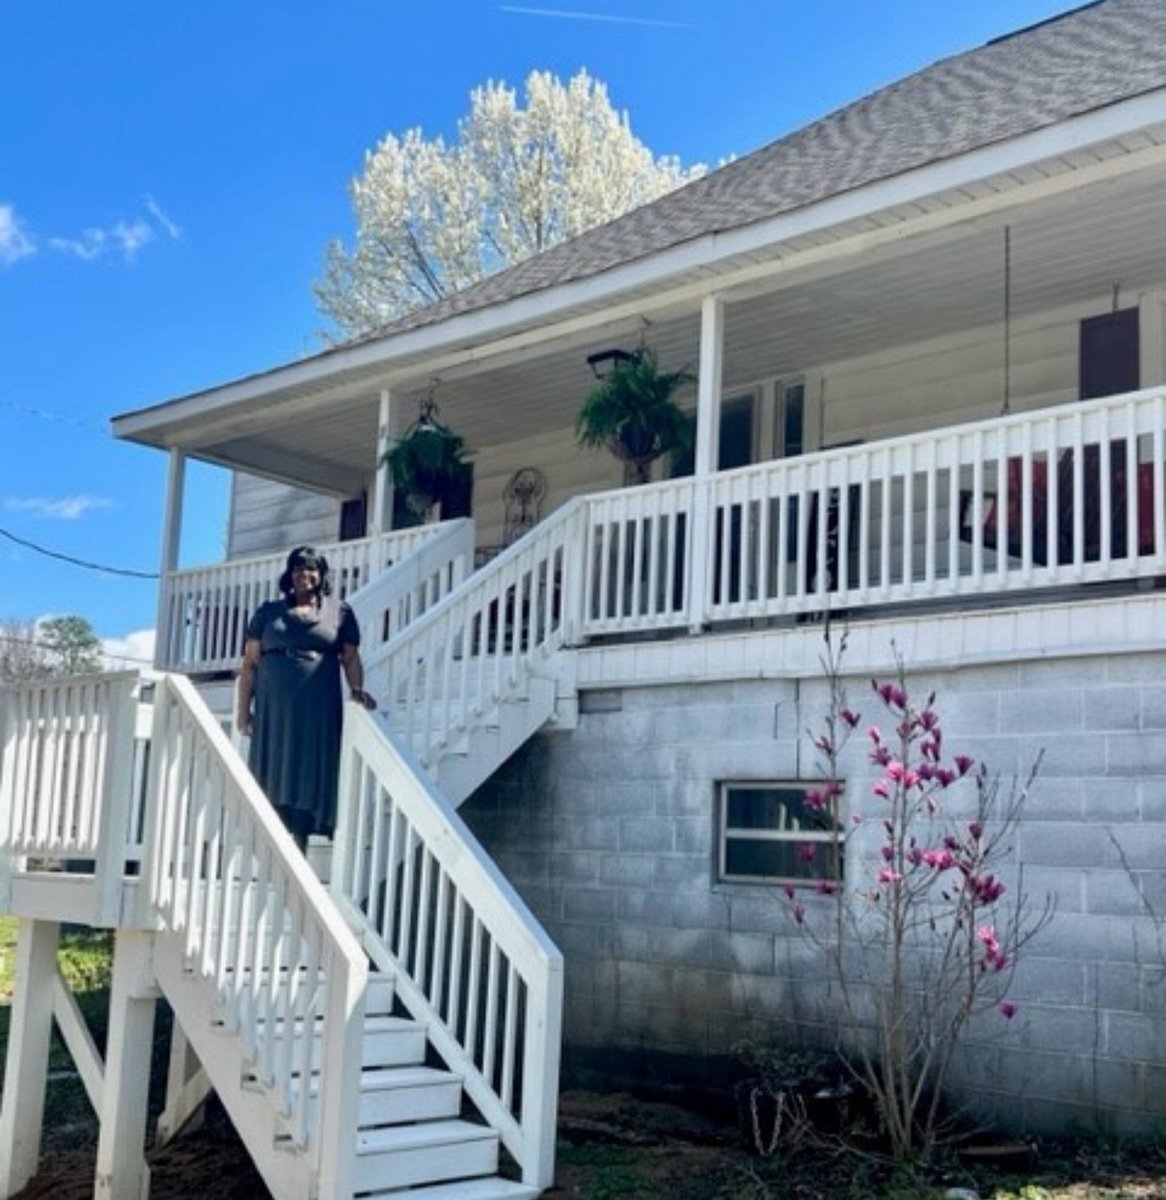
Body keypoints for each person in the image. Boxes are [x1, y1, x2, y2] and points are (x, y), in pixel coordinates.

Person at [235, 545, 376, 850]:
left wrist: (356, 690)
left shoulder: (340, 611)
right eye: (298, 568)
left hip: (318, 708)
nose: (305, 574)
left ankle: (300, 845)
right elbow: (249, 665)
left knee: (309, 769)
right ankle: (273, 841)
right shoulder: (268, 612)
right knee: (275, 766)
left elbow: (350, 659)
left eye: (311, 568)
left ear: (321, 574)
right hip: (275, 709)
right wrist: (243, 711)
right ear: (290, 574)